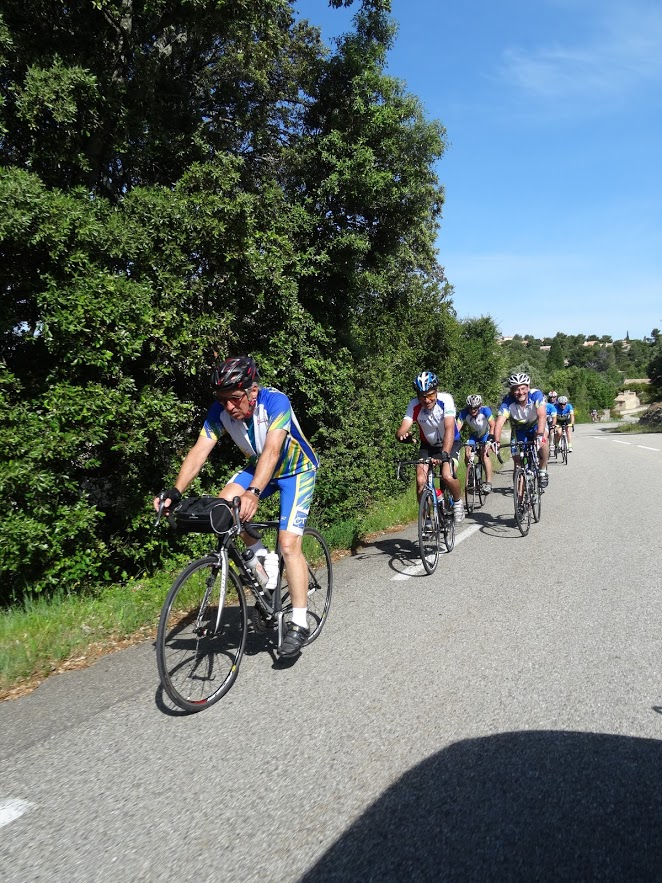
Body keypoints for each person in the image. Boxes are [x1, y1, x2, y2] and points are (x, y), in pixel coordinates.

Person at [154, 356, 319, 657]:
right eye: (221, 400)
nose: (228, 407)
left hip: (296, 471)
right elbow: (199, 451)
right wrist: (175, 492)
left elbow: (272, 450)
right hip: (260, 467)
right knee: (224, 505)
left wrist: (254, 492)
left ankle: (298, 621)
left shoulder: (275, 402)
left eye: (234, 399)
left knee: (289, 543)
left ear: (252, 392)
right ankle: (261, 557)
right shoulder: (220, 412)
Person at [395, 371, 465, 523]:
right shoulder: (414, 405)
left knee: (447, 475)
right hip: (428, 446)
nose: (426, 400)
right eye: (422, 396)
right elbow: (403, 427)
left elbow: (449, 428)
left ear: (437, 391)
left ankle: (458, 501)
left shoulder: (446, 400)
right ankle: (426, 519)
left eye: (431, 395)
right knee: (421, 481)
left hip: (451, 443)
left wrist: (444, 454)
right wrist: (402, 435)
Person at [492, 373, 550, 487]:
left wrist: (539, 434)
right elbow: (499, 423)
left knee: (543, 441)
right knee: (518, 463)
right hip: (518, 430)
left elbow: (542, 415)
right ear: (512, 391)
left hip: (536, 426)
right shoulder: (507, 401)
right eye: (516, 389)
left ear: (528, 388)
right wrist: (496, 441)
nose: (520, 392)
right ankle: (520, 498)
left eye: (523, 388)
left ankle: (542, 470)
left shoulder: (536, 394)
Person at [456, 395, 495, 493]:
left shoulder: (486, 411)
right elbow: (456, 428)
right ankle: (471, 473)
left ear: (480, 406)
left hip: (485, 435)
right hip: (473, 436)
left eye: (475, 408)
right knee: (467, 452)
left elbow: (493, 425)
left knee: (484, 454)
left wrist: (490, 440)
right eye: (470, 408)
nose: (472, 410)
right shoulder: (464, 413)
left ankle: (488, 483)